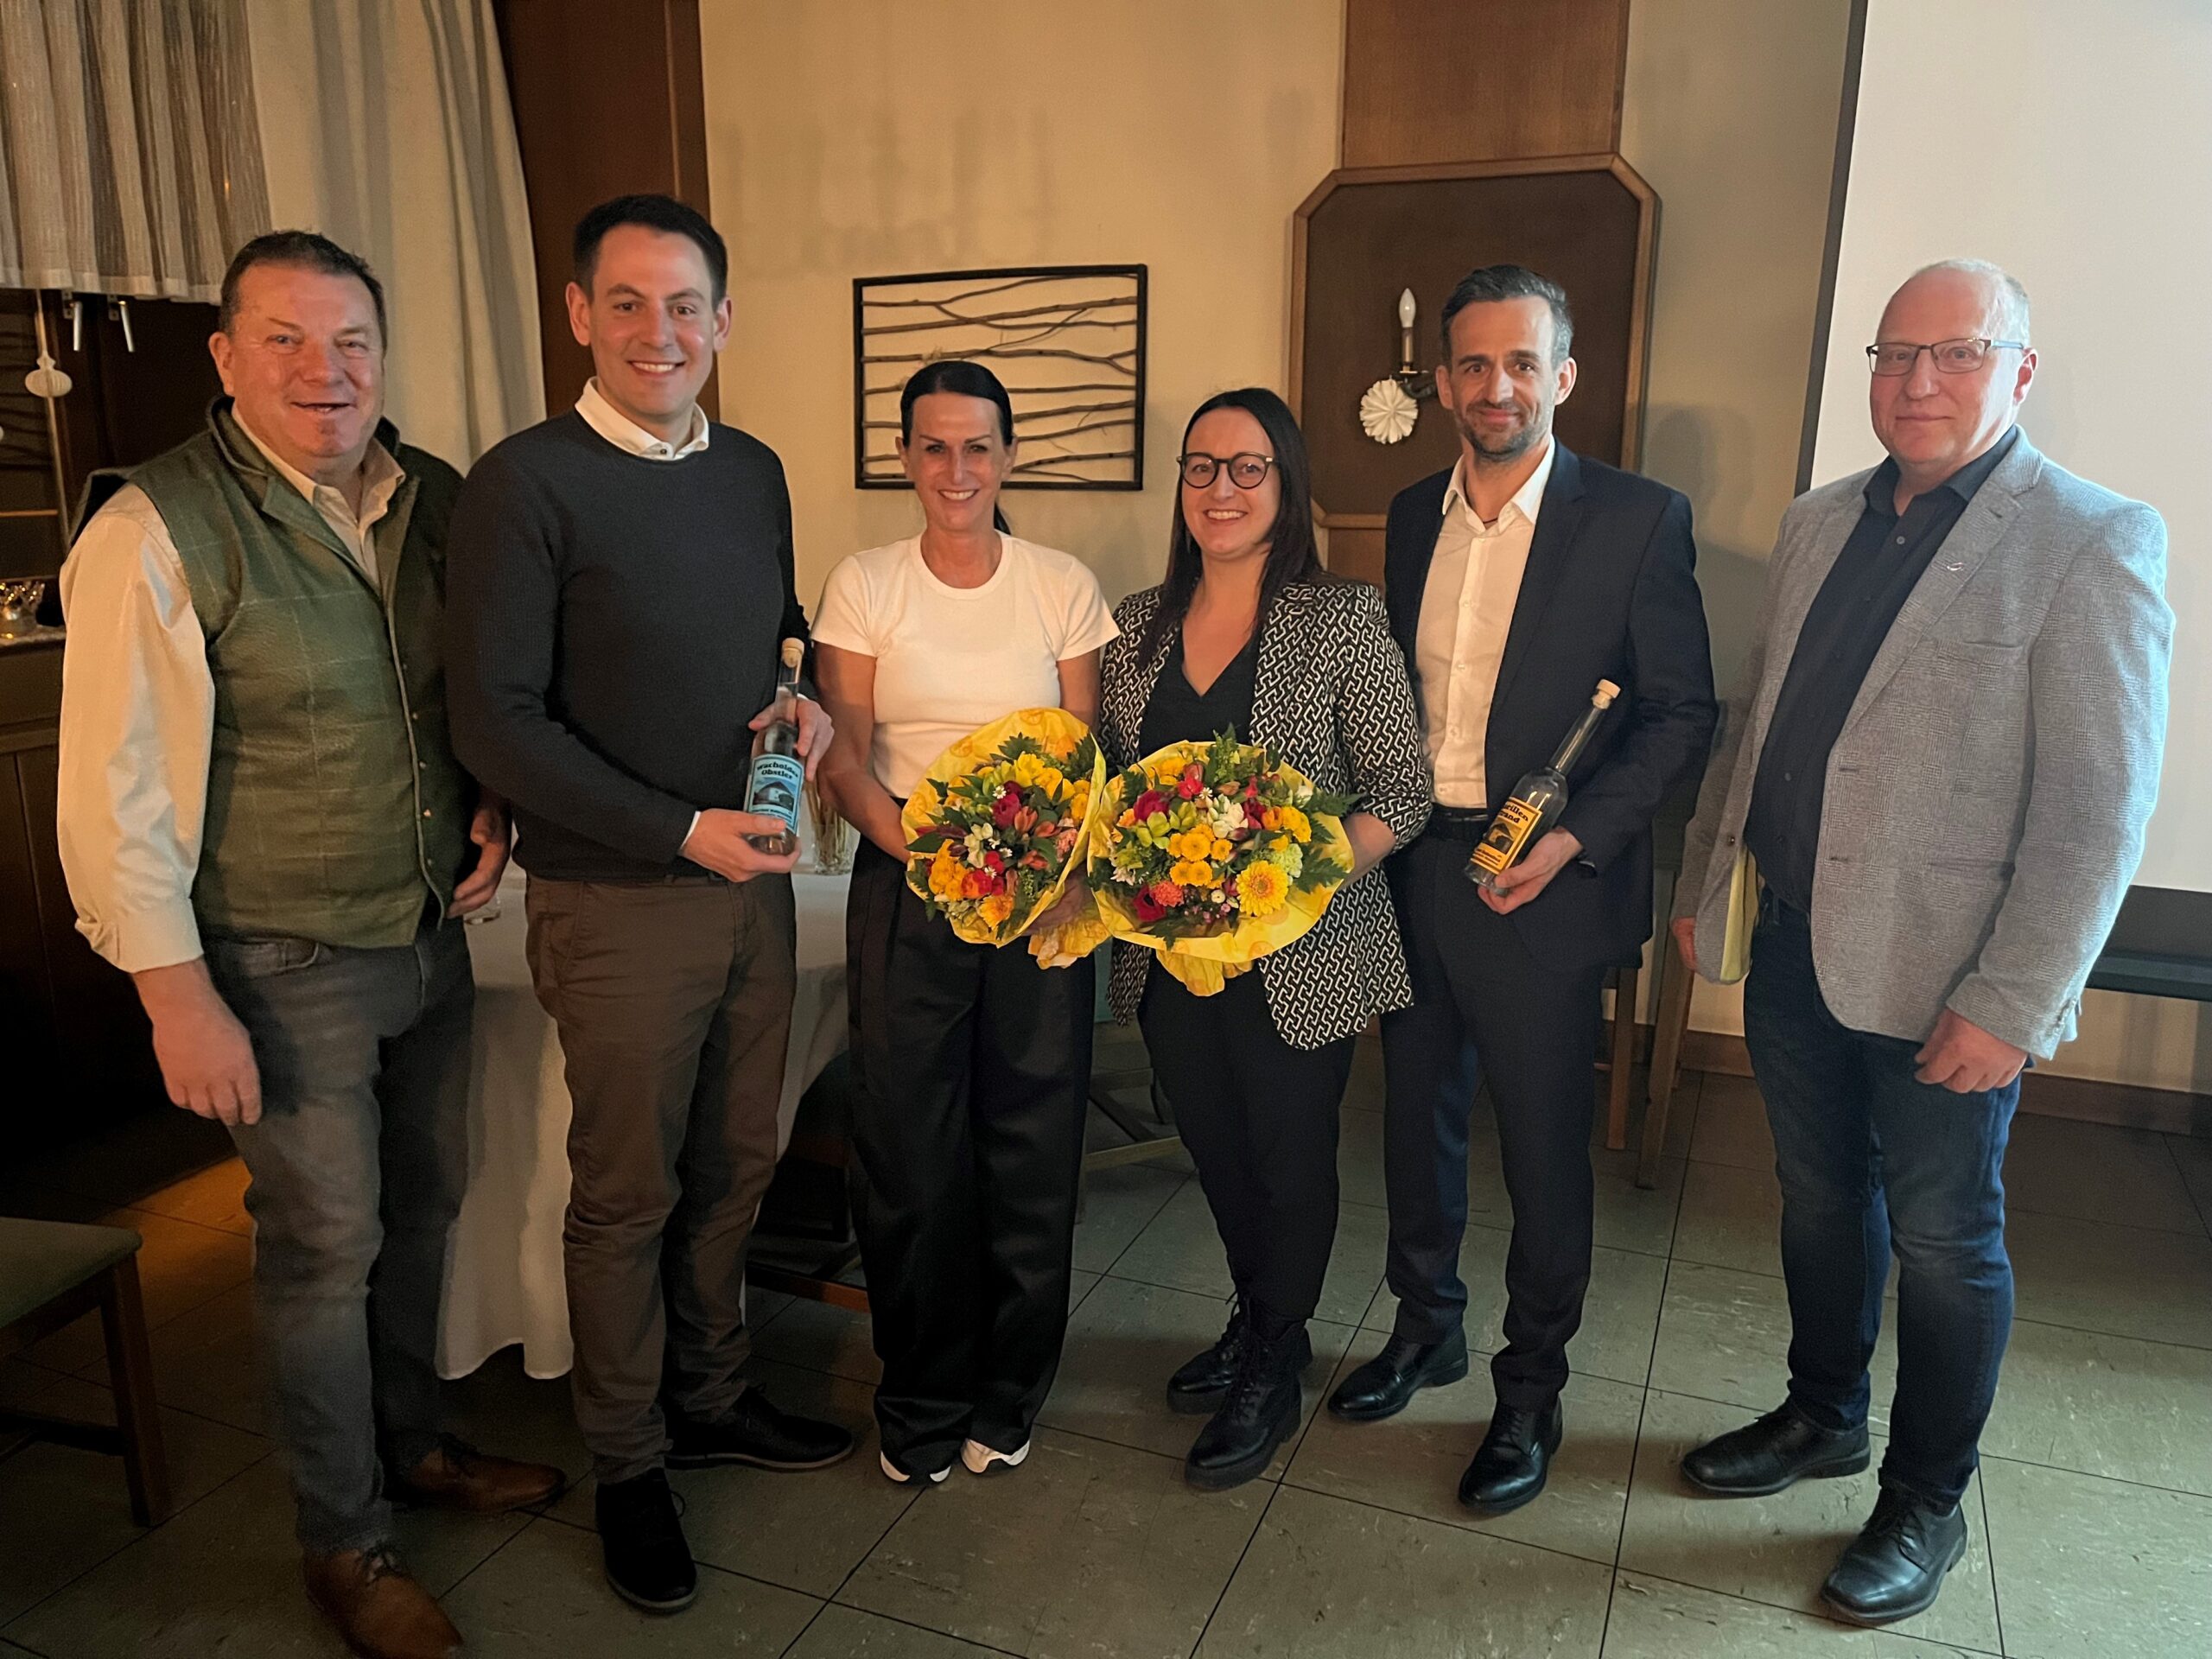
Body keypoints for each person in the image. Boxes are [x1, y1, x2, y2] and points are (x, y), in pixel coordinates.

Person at [55, 232, 562, 1659]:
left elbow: (470, 698)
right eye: (284, 338)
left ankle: (416, 1446)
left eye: (350, 341)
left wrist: (493, 809)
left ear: (381, 356)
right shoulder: (155, 528)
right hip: (274, 959)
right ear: (225, 358)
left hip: (426, 937)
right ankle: (346, 1541)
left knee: (426, 1206)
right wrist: (176, 998)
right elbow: (111, 790)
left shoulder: (432, 497)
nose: (323, 370)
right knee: (324, 1249)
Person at [1670, 259, 2171, 1624]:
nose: (1918, 381)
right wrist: (1710, 874)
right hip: (1794, 944)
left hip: (1950, 977)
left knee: (1948, 1241)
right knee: (1820, 1199)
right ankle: (1823, 1413)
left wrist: (2015, 999)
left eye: (1957, 353)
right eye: (1895, 354)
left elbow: (2099, 808)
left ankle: (1925, 1500)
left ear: (2020, 371)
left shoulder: (2091, 539)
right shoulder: (1819, 520)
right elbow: (1759, 723)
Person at [444, 194, 851, 1617]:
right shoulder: (522, 485)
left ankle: (713, 1397)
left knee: (739, 1165)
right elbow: (496, 723)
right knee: (628, 1194)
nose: (657, 332)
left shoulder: (751, 470)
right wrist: (680, 830)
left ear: (723, 321)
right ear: (580, 315)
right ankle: (627, 1462)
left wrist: (803, 702)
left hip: (753, 890)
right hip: (617, 898)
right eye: (626, 303)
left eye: (685, 306)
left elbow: (774, 635)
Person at [1329, 265, 1716, 1517]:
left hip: (1541, 886)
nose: (1496, 386)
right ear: (1443, 384)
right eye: (1473, 365)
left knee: (1544, 1148)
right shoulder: (1409, 515)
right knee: (1414, 1119)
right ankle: (1425, 1325)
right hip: (1415, 869)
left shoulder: (1638, 519)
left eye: (1520, 363)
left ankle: (1531, 1388)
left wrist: (1576, 840)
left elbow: (1679, 713)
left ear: (1563, 376)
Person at [1098, 387, 1431, 1491]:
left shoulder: (1339, 618)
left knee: (1288, 1161)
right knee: (1216, 1150)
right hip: (1171, 963)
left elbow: (1402, 789)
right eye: (1202, 467)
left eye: (1248, 468)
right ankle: (1255, 1316)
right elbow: (1112, 792)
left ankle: (1276, 1354)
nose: (1222, 489)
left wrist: (1287, 886)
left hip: (1302, 954)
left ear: (1285, 487)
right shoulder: (1134, 627)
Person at [812, 359, 1118, 1486]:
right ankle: (921, 1393)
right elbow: (845, 752)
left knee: (1031, 1141)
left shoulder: (1060, 586)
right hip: (911, 882)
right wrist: (926, 852)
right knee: (909, 1148)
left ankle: (1009, 1385)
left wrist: (1030, 871)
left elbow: (1083, 754)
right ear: (905, 457)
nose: (956, 469)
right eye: (933, 447)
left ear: (1008, 456)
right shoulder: (865, 583)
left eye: (977, 446)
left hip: (1041, 894)